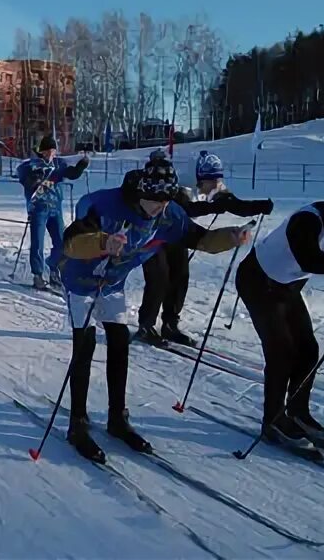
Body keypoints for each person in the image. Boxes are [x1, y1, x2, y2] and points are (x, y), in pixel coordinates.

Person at [58, 156, 252, 462]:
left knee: (120, 342)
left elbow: (199, 238)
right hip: (80, 279)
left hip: (112, 283)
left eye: (166, 201)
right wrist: (103, 242)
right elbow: (71, 242)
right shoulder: (107, 206)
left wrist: (230, 237)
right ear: (141, 195)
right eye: (154, 202)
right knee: (84, 346)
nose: (160, 208)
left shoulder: (168, 214)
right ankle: (77, 422)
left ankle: (117, 418)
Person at [235, 171, 324, 452]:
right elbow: (313, 261)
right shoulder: (306, 221)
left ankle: (298, 412)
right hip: (258, 282)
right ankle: (274, 420)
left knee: (308, 349)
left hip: (287, 287)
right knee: (281, 352)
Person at [135, 150, 273, 347]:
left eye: (217, 181)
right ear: (199, 178)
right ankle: (146, 325)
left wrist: (256, 207)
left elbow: (230, 202)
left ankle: (170, 324)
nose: (214, 187)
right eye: (211, 182)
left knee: (180, 276)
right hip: (154, 233)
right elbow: (186, 209)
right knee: (159, 276)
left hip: (178, 232)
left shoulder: (212, 184)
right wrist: (215, 207)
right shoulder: (177, 185)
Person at [16, 136, 88, 290]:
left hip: (56, 208)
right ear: (41, 151)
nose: (50, 154)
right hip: (38, 209)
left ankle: (54, 268)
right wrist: (32, 180)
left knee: (62, 243)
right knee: (38, 243)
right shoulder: (30, 166)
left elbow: (73, 173)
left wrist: (81, 166)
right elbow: (22, 177)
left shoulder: (59, 164)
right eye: (47, 150)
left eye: (53, 150)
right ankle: (37, 274)